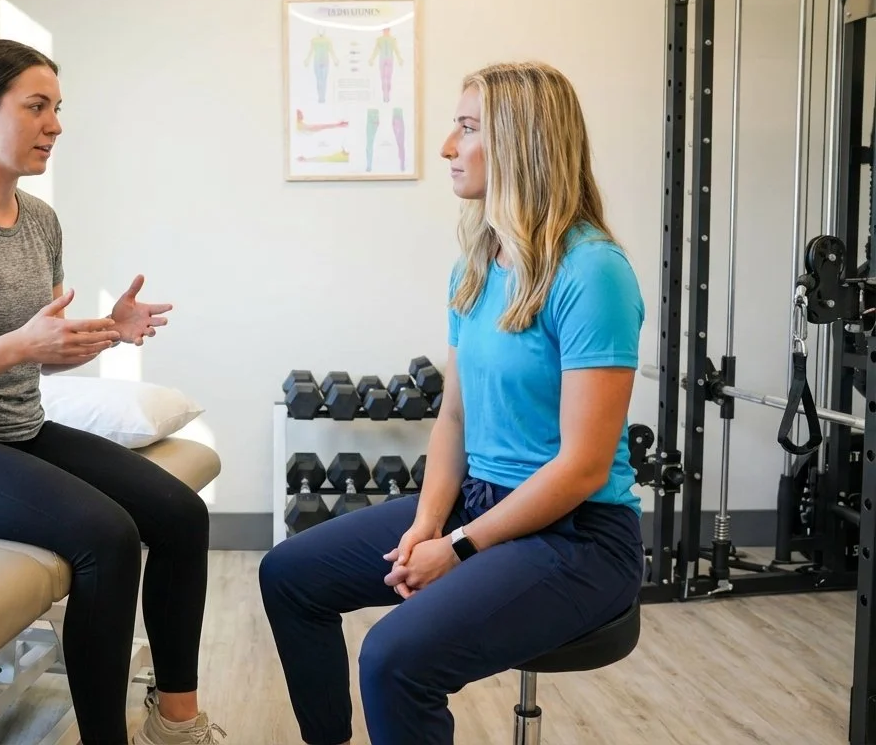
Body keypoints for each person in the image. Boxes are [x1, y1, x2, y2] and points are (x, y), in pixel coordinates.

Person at [259, 61, 646, 745]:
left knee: (393, 659)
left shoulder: (592, 271)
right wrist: (428, 525)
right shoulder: (478, 264)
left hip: (578, 536)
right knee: (290, 574)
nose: (446, 147)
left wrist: (459, 549)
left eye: (467, 129)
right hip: (478, 500)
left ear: (522, 143)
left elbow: (584, 468)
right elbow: (456, 418)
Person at [0, 38, 226, 745]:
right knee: (108, 537)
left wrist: (99, 335)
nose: (55, 124)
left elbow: (30, 352)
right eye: (36, 107)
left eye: (57, 108)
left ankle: (176, 718)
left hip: (16, 429)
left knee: (181, 514)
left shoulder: (39, 221)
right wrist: (25, 345)